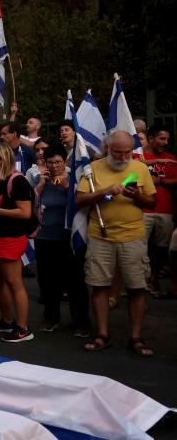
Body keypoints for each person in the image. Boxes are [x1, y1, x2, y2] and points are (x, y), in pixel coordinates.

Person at [76, 130, 156, 356]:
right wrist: (104, 192)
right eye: (118, 152)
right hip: (100, 236)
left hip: (133, 236)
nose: (123, 157)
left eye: (127, 152)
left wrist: (136, 196)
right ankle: (102, 334)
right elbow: (80, 200)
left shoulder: (140, 168)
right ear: (107, 149)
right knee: (99, 286)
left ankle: (136, 337)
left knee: (137, 288)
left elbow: (152, 202)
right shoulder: (93, 169)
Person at [0, 142, 35, 343]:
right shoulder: (1, 180)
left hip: (10, 237)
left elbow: (25, 212)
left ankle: (22, 327)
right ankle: (7, 320)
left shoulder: (18, 181)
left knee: (13, 282)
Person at [33, 145, 90, 336]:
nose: (54, 166)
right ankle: (51, 318)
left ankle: (81, 322)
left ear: (65, 162)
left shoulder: (74, 178)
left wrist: (66, 186)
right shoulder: (39, 178)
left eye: (58, 162)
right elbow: (29, 204)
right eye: (50, 162)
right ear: (44, 163)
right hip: (45, 237)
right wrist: (40, 186)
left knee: (75, 282)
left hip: (68, 237)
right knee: (48, 281)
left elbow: (81, 202)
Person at [138, 127, 177, 296]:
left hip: (165, 209)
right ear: (151, 138)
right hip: (143, 209)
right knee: (140, 247)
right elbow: (130, 175)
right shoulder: (140, 158)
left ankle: (153, 278)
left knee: (161, 248)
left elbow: (176, 180)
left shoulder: (171, 159)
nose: (165, 143)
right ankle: (140, 282)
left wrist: (159, 180)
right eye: (162, 139)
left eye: (167, 139)